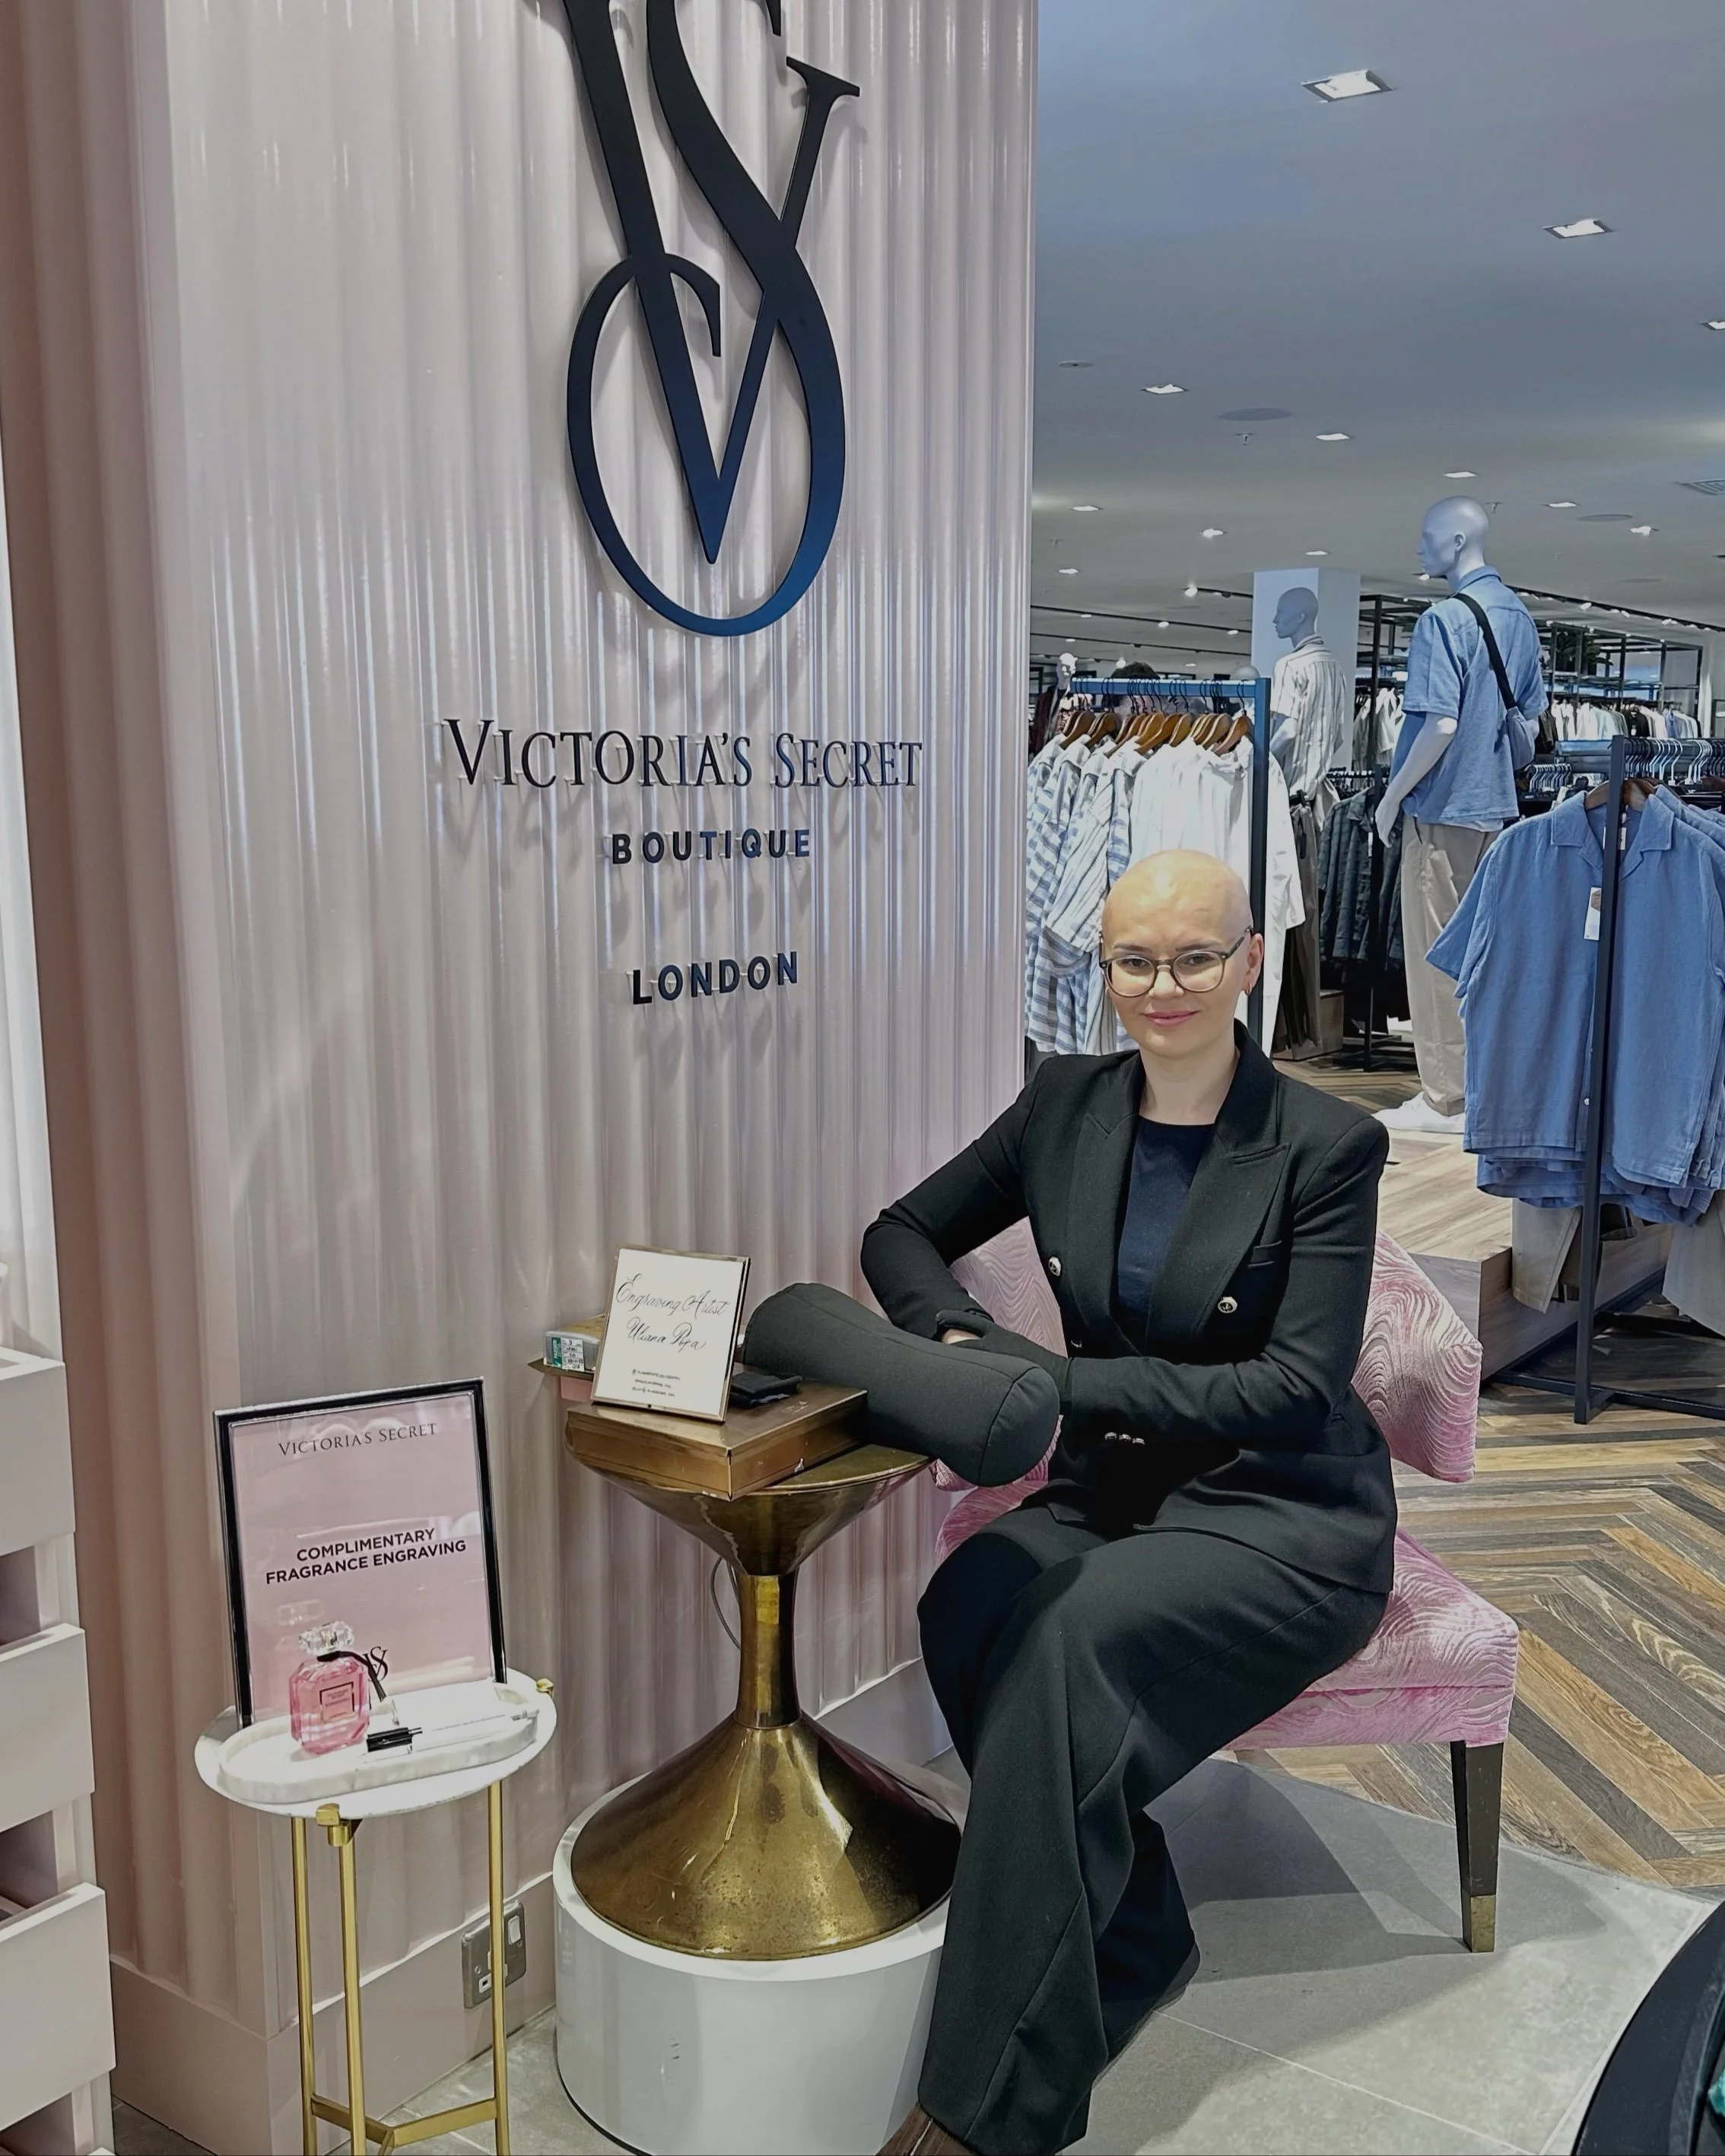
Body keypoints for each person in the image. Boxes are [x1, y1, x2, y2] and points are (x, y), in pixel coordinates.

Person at [863, 850, 1396, 2156]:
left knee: (1066, 1642)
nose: (1164, 986)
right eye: (1134, 961)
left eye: (1195, 956)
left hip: (1283, 1508)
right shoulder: (1065, 1102)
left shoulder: (1325, 1144)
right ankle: (1138, 1924)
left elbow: (1293, 1387)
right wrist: (958, 1340)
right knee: (966, 1603)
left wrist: (1058, 1379)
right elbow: (900, 1233)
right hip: (1113, 1483)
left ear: (1251, 960)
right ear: (1101, 967)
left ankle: (987, 2110)